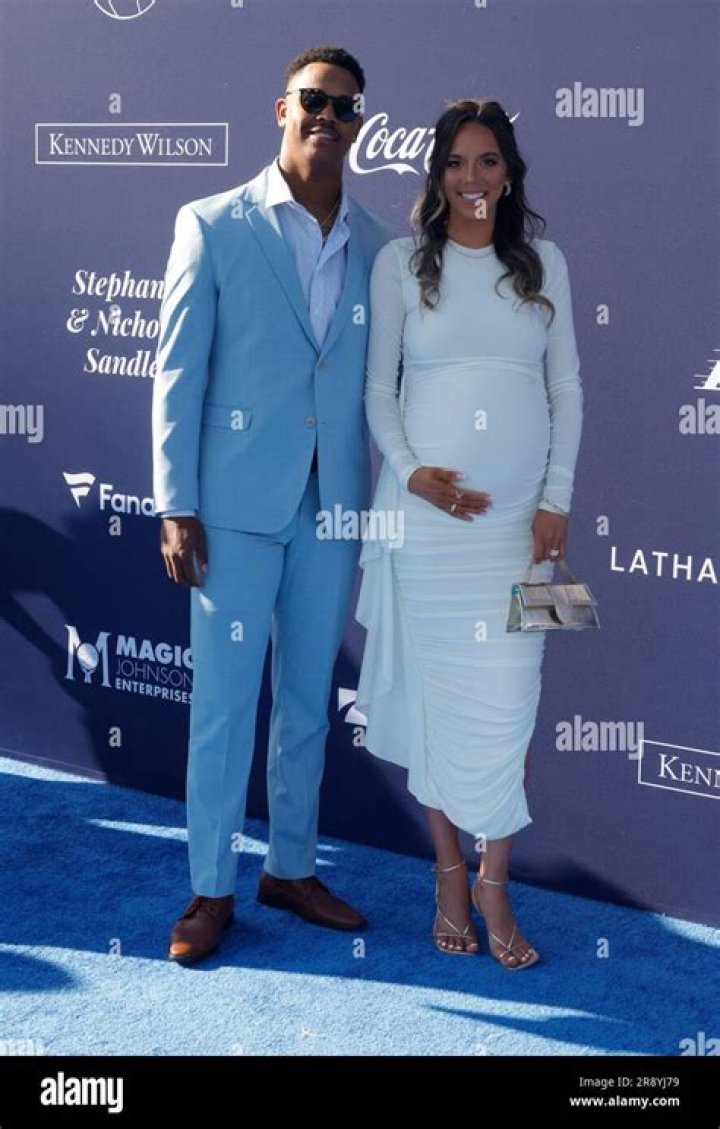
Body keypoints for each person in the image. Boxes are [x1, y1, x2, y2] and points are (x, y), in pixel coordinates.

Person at [152, 45, 392, 963]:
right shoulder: (212, 223)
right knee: (223, 703)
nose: (328, 116)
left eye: (345, 106)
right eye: (313, 100)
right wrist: (176, 503)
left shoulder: (379, 245)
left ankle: (290, 867)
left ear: (360, 124)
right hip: (232, 507)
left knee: (304, 701)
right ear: (281, 108)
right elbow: (178, 372)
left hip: (334, 504)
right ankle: (210, 888)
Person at [356, 99, 583, 969]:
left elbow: (566, 388)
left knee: (513, 701)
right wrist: (412, 471)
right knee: (437, 699)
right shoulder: (402, 264)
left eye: (488, 161)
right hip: (428, 528)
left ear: (510, 173)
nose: (472, 177)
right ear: (437, 173)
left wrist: (557, 497)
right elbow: (380, 390)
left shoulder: (544, 264)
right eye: (456, 162)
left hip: (523, 530)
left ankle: (496, 880)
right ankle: (450, 872)